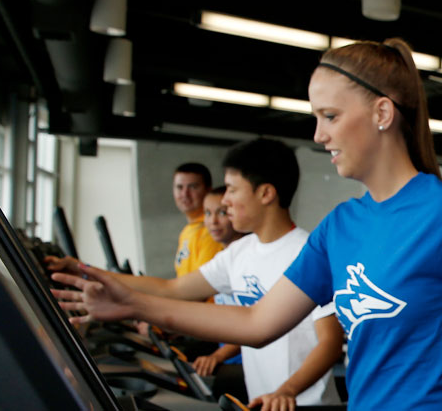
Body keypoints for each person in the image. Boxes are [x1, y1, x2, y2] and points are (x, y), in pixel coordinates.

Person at [52, 39, 442, 411]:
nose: (319, 135)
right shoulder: (341, 226)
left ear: (382, 113)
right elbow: (256, 324)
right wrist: (133, 303)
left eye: (330, 116)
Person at [50, 140, 343, 410]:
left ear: (266, 193)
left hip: (302, 403)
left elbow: (329, 342)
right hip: (263, 401)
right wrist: (86, 271)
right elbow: (172, 288)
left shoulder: (307, 253)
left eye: (232, 189)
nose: (224, 200)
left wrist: (287, 390)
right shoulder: (239, 252)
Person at [194, 186, 245, 372]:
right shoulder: (221, 258)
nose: (213, 221)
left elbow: (254, 324)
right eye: (207, 213)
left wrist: (218, 356)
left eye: (222, 213)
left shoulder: (246, 259)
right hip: (228, 359)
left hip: (245, 363)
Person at [173, 162, 225, 279]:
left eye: (193, 187)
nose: (185, 194)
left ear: (208, 190)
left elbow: (201, 287)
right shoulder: (188, 230)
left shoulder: (214, 229)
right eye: (179, 187)